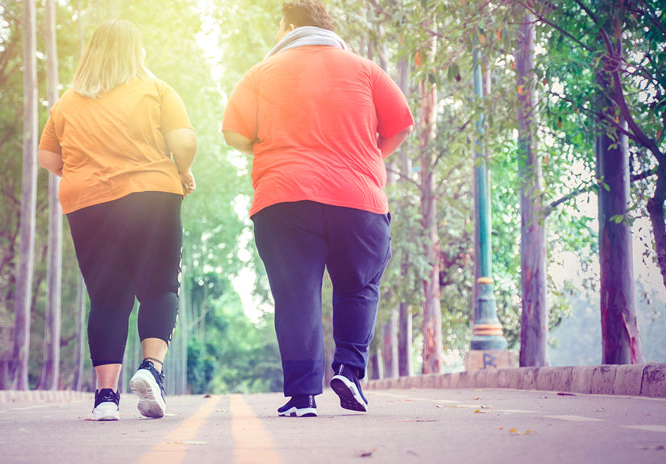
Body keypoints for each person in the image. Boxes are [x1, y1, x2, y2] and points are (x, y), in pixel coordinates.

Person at [222, 0, 413, 417]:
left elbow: (233, 134)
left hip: (285, 198)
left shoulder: (260, 73)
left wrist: (268, 141)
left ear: (287, 26)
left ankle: (302, 396)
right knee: (359, 285)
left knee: (296, 297)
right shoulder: (365, 70)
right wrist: (369, 158)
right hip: (358, 199)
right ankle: (348, 369)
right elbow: (400, 124)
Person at [38, 19, 197, 421]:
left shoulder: (66, 104)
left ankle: (105, 397)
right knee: (159, 287)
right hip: (152, 194)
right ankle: (151, 369)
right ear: (135, 52)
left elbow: (49, 158)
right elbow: (184, 140)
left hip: (88, 204)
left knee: (108, 297)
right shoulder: (156, 90)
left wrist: (87, 173)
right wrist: (183, 168)